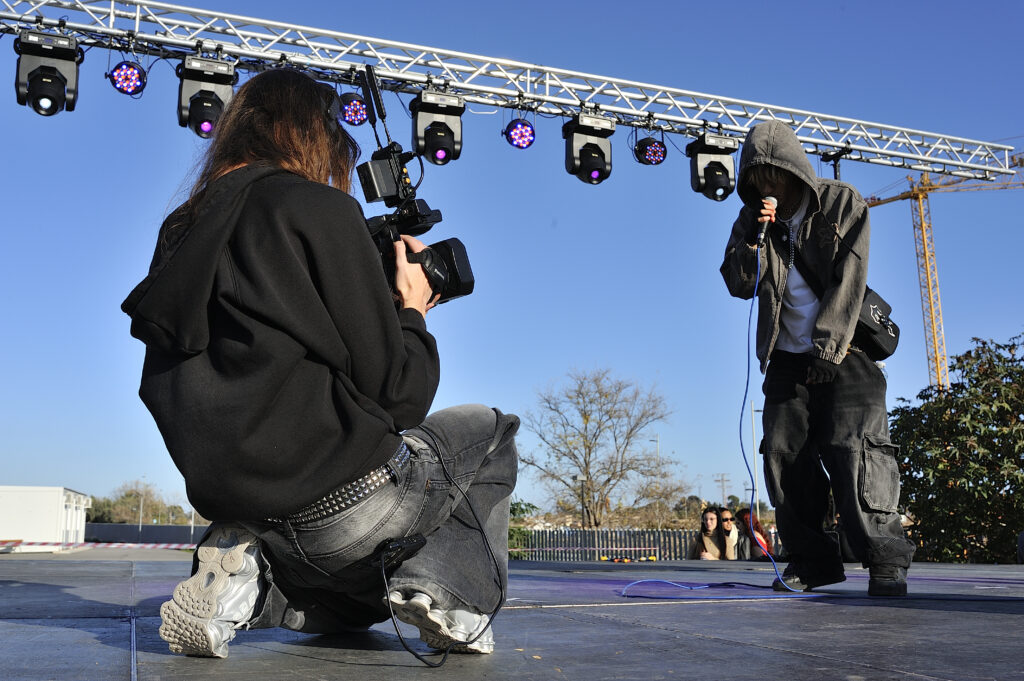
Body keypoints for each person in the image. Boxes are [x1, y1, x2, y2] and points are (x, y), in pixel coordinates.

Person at [121, 68, 520, 658]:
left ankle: (246, 578)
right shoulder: (316, 207)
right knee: (491, 430)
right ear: (311, 135)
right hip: (344, 505)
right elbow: (400, 396)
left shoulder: (181, 229)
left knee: (356, 612)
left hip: (236, 505)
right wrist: (412, 309)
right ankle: (448, 598)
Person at [719, 120, 915, 596]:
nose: (769, 188)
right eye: (758, 179)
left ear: (795, 172)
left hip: (846, 348)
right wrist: (754, 239)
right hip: (786, 355)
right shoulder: (750, 220)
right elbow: (738, 284)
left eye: (776, 177)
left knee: (856, 452)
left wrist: (828, 347)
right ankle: (813, 561)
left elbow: (850, 279)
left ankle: (885, 559)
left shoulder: (841, 203)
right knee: (783, 457)